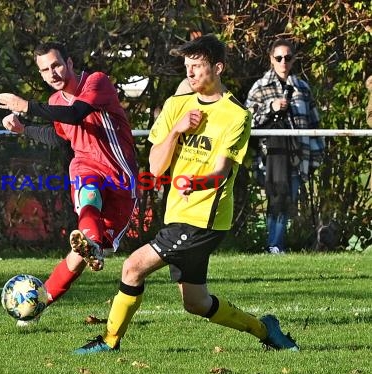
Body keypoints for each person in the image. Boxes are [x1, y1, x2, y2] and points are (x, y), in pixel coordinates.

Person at [74, 34, 299, 354]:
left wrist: (198, 184)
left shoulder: (236, 115)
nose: (190, 73)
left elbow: (222, 171)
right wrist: (178, 129)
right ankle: (266, 330)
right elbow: (154, 166)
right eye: (187, 67)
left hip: (204, 219)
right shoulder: (176, 106)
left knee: (132, 268)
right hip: (178, 214)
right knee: (196, 302)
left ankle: (108, 342)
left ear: (217, 68)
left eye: (197, 66)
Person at [0, 41, 138, 326]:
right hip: (87, 166)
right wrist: (24, 129)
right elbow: (62, 137)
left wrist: (26, 107)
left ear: (70, 63)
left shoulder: (96, 81)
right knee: (87, 191)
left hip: (120, 178)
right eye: (45, 70)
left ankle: (54, 287)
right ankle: (38, 303)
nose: (52, 73)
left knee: (76, 257)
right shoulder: (56, 103)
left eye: (56, 65)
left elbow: (76, 114)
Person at [246, 39, 324, 254]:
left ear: (293, 60)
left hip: (297, 155)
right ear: (271, 59)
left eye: (288, 58)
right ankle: (275, 245)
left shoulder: (302, 88)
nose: (283, 62)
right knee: (276, 199)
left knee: (287, 200)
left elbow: (314, 122)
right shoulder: (259, 88)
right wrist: (271, 107)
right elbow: (246, 121)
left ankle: (275, 246)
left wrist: (317, 153)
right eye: (279, 58)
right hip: (269, 157)